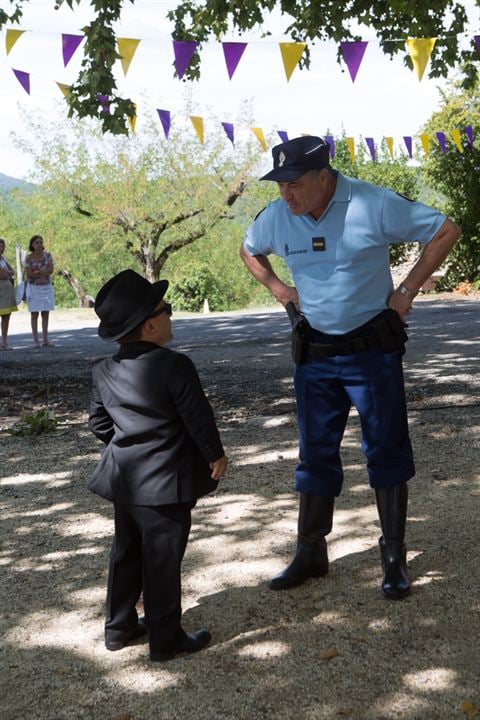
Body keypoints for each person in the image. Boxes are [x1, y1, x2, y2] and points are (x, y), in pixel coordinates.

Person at [240, 135, 461, 600]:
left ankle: (394, 556)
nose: (286, 195)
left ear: (324, 177)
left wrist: (408, 290)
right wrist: (281, 290)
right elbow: (249, 249)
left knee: (386, 449)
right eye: (280, 185)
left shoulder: (371, 203)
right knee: (315, 453)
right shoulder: (280, 215)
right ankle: (310, 551)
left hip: (371, 352)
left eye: (295, 184)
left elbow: (445, 230)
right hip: (317, 355)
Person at [88, 269, 228, 662]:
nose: (171, 316)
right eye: (167, 310)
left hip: (125, 480)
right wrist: (214, 455)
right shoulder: (174, 366)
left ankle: (118, 627)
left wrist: (128, 444)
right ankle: (165, 639)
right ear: (151, 324)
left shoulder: (103, 370)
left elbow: (98, 424)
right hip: (166, 483)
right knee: (163, 558)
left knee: (126, 550)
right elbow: (198, 418)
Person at [25, 234, 55, 348]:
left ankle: (45, 339)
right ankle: (35, 340)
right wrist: (42, 272)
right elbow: (29, 274)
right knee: (34, 314)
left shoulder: (48, 256)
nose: (39, 244)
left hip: (46, 287)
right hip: (34, 287)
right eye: (36, 242)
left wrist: (38, 272)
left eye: (40, 242)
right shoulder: (28, 258)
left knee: (45, 313)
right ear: (32, 245)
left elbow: (51, 269)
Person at [0, 238, 18, 350]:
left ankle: (4, 342)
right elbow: (3, 275)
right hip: (1, 287)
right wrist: (7, 273)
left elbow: (12, 271)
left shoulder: (3, 259)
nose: (1, 248)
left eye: (2, 246)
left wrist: (7, 273)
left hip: (6, 288)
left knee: (6, 315)